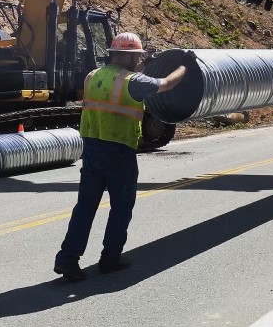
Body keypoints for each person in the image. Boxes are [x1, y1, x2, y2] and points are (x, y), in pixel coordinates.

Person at [54, 32, 186, 281]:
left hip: (92, 149)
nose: (139, 61)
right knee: (121, 208)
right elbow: (166, 83)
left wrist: (143, 65)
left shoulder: (93, 76)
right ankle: (110, 259)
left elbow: (125, 81)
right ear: (128, 57)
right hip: (119, 152)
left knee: (85, 207)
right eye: (137, 57)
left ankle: (67, 259)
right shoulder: (132, 82)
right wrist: (184, 67)